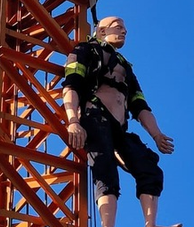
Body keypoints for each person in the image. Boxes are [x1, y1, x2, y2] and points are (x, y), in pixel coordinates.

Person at [62, 17, 180, 227]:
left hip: (119, 128)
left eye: (125, 29)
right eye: (118, 27)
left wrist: (156, 134)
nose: (124, 31)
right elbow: (72, 85)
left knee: (149, 168)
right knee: (105, 170)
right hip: (95, 117)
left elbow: (140, 105)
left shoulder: (125, 67)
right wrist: (73, 120)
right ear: (101, 31)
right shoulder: (86, 51)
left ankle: (150, 224)